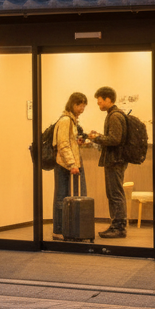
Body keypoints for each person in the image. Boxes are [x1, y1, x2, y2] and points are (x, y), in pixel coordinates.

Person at [86, 86, 128, 239]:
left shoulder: (114, 116)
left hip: (115, 160)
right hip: (115, 160)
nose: (98, 103)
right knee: (114, 193)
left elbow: (115, 139)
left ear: (108, 99)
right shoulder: (114, 114)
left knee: (115, 194)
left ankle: (119, 227)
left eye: (100, 100)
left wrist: (96, 138)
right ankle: (116, 225)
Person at [51, 92, 87, 240]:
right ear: (73, 104)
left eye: (84, 105)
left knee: (65, 196)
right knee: (61, 197)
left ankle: (65, 228)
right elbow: (63, 144)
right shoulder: (66, 120)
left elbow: (69, 142)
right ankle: (58, 230)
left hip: (68, 163)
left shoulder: (72, 121)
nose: (82, 108)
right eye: (80, 105)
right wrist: (72, 163)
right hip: (64, 164)